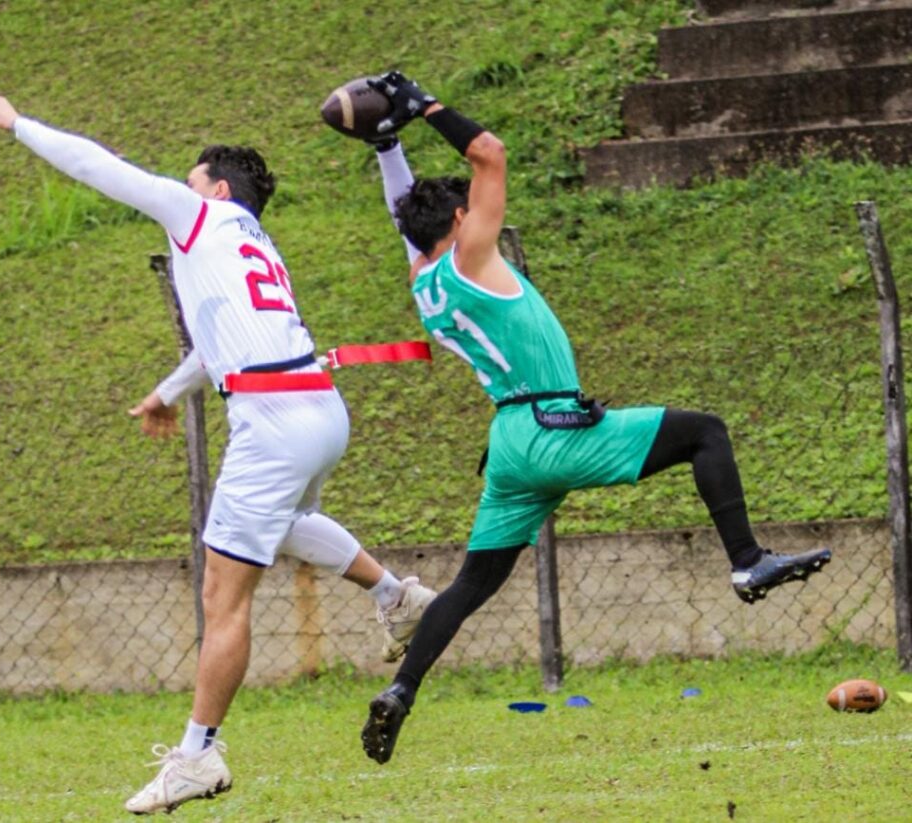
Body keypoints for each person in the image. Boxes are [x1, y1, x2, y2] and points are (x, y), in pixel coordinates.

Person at [0, 92, 435, 814]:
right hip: (318, 407)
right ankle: (394, 596)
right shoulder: (254, 242)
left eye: (189, 182)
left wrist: (18, 123)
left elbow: (100, 167)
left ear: (215, 190)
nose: (178, 192)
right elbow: (221, 345)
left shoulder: (199, 217)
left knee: (222, 596)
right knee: (281, 525)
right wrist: (167, 392)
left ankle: (197, 755)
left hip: (273, 421)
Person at [351, 71, 832, 765]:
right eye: (469, 209)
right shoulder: (471, 256)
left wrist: (386, 145)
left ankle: (401, 689)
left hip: (511, 444)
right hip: (554, 428)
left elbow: (408, 219)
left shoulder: (424, 279)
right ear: (459, 222)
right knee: (705, 432)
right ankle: (748, 562)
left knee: (473, 583)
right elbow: (489, 152)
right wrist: (425, 105)